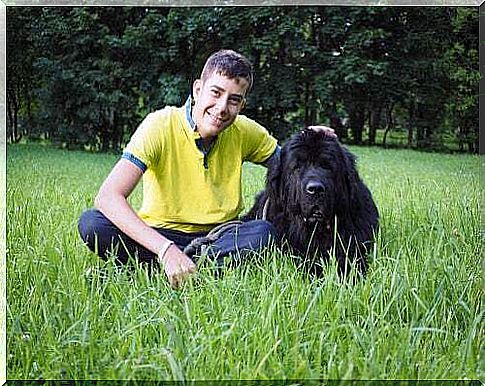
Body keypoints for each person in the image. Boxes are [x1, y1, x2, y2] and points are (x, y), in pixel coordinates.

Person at [78, 49, 335, 288]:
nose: (222, 108)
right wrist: (166, 250)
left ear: (242, 105)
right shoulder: (159, 126)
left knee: (264, 234)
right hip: (159, 237)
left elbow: (292, 165)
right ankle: (176, 268)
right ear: (197, 89)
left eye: (234, 100)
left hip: (218, 239)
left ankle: (147, 273)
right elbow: (108, 197)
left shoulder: (245, 131)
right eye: (215, 92)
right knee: (93, 224)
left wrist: (310, 138)